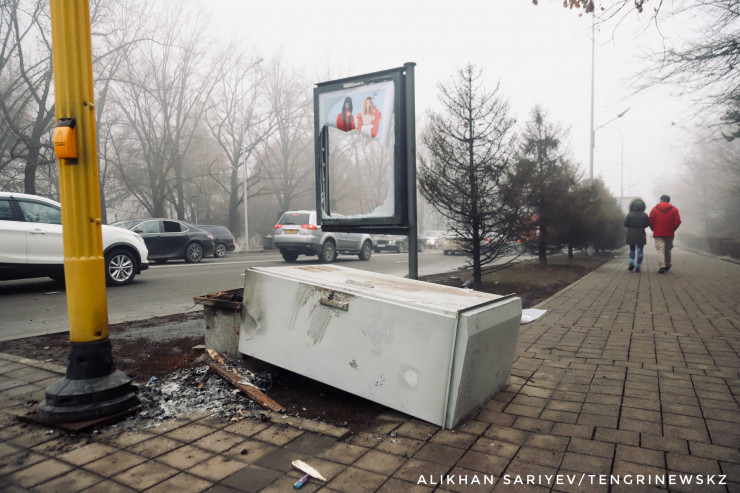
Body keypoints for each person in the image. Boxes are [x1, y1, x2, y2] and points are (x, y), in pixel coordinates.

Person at [649, 194, 681, 273]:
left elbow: (651, 221)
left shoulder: (654, 209)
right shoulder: (674, 210)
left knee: (660, 249)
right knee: (668, 250)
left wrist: (654, 229)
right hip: (669, 233)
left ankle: (662, 266)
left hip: (658, 233)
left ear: (661, 200)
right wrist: (672, 229)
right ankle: (667, 264)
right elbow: (677, 221)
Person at [623, 198, 650, 272]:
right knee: (640, 251)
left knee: (632, 249)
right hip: (641, 234)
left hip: (631, 234)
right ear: (643, 206)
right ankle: (638, 267)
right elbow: (647, 224)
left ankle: (631, 263)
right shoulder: (645, 215)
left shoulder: (630, 214)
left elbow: (625, 224)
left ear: (633, 205)